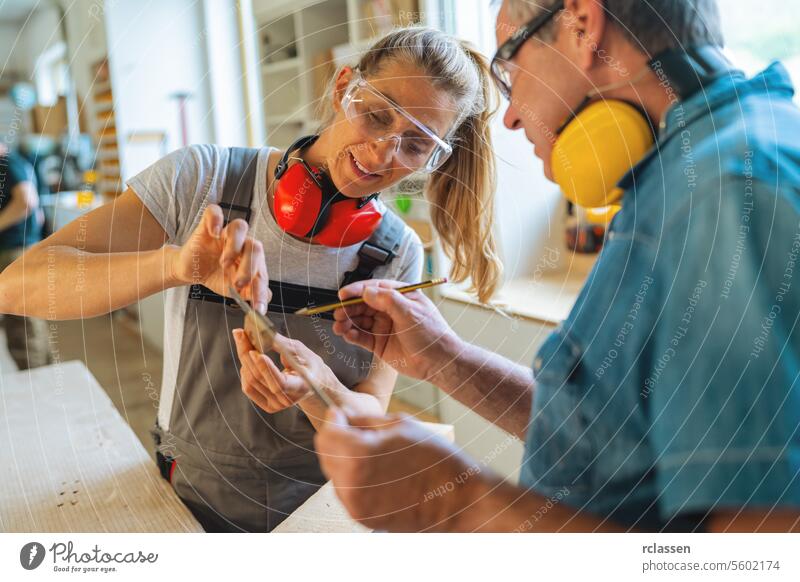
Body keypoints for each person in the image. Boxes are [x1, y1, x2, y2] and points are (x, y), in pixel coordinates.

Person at [305, 0, 800, 532]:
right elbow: (616, 435)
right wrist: (446, 359)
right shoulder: (691, 173)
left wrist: (451, 502)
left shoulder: (724, 195)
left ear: (582, 25)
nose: (513, 116)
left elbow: (755, 554)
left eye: (509, 70)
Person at [0, 27, 500, 532]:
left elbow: (370, 410)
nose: (379, 154)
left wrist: (316, 385)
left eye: (415, 145)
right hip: (191, 495)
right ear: (343, 86)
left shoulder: (395, 253)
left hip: (322, 508)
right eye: (374, 115)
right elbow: (17, 284)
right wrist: (176, 266)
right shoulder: (203, 179)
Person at [0, 143, 50, 370]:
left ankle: (36, 382)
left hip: (15, 251)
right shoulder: (16, 161)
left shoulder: (8, 163)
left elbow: (27, 202)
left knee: (22, 321)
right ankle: (42, 377)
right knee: (30, 317)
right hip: (20, 249)